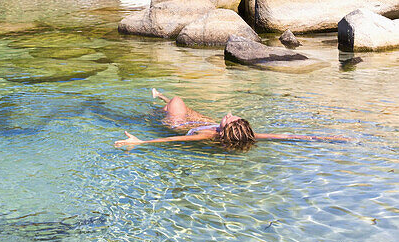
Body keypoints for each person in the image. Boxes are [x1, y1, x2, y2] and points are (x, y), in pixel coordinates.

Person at [114, 88, 344, 152]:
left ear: (224, 132)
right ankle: (159, 97)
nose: (229, 114)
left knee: (176, 102)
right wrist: (326, 137)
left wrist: (141, 143)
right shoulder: (248, 135)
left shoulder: (209, 135)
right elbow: (284, 136)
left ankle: (161, 100)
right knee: (178, 104)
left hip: (182, 125)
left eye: (229, 120)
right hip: (200, 120)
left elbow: (174, 139)